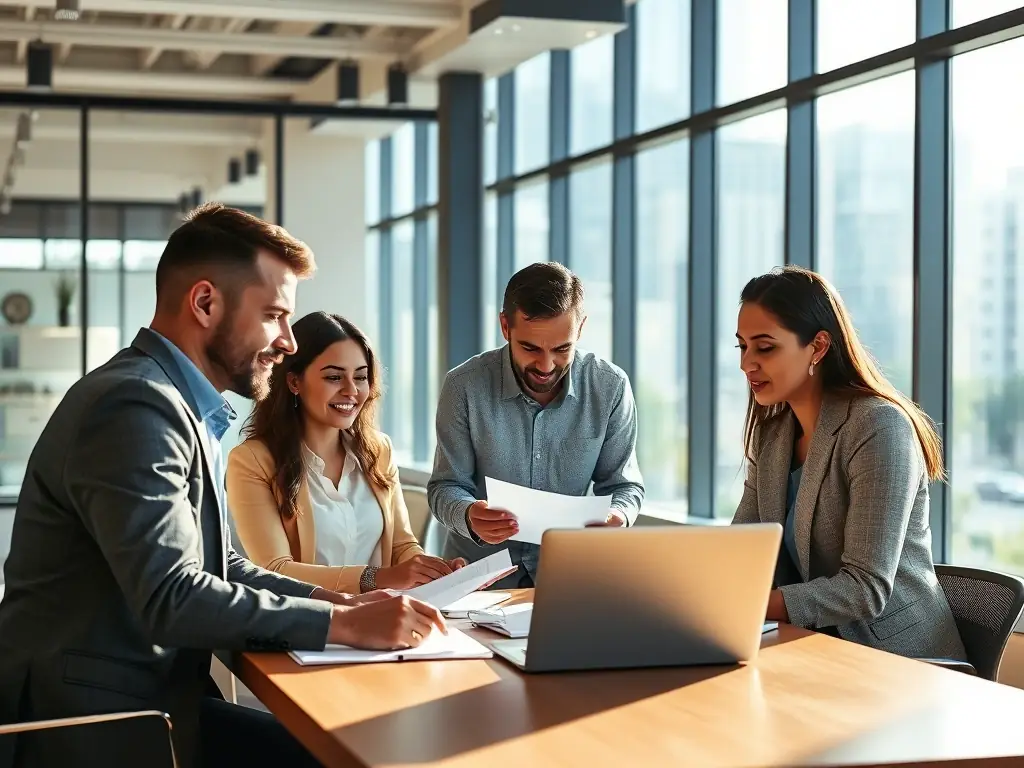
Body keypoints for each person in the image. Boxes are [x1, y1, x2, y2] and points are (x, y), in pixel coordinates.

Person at [0, 204, 445, 768]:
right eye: (274, 316)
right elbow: (172, 596)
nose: (287, 341)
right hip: (93, 721)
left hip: (153, 697)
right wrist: (344, 624)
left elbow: (221, 564)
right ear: (205, 303)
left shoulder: (179, 404)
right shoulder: (135, 406)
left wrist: (337, 600)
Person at [731, 266, 966, 661]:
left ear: (818, 347)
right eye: (742, 347)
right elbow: (742, 549)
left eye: (765, 347)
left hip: (900, 662)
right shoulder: (772, 436)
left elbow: (864, 588)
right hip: (814, 649)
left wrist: (744, 602)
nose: (747, 364)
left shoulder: (878, 427)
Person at [428, 262, 645, 588]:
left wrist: (618, 516)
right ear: (505, 326)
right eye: (530, 348)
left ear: (580, 328)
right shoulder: (464, 387)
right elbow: (445, 486)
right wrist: (468, 514)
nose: (546, 366)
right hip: (475, 580)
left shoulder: (609, 387)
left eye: (562, 349)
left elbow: (624, 486)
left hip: (568, 579)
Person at [227, 311, 465, 594]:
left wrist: (432, 570)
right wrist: (376, 578)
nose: (351, 391)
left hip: (386, 618)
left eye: (361, 377)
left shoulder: (379, 450)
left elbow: (402, 545)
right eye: (333, 377)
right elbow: (274, 570)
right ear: (294, 382)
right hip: (313, 624)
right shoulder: (251, 461)